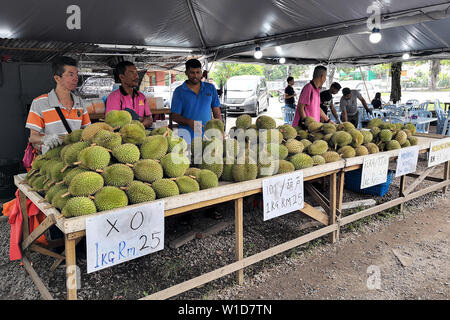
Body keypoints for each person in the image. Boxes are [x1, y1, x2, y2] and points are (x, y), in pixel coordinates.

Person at [26, 56, 91, 154]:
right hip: (51, 159)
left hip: (74, 157)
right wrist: (46, 139)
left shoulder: (80, 103)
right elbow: (33, 137)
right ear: (57, 78)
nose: (76, 78)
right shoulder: (39, 103)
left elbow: (87, 131)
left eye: (76, 74)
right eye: (70, 75)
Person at [171, 58, 222, 144]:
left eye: (198, 72)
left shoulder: (210, 88)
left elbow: (217, 112)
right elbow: (174, 116)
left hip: (207, 138)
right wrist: (189, 122)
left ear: (201, 72)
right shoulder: (179, 91)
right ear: (186, 73)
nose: (195, 76)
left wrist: (220, 131)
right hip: (186, 138)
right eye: (192, 72)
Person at [105, 61, 153, 128]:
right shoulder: (114, 97)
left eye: (136, 72)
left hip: (141, 133)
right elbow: (112, 122)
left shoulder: (141, 96)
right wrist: (140, 119)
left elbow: (149, 118)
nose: (137, 76)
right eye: (132, 73)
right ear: (122, 77)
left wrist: (139, 125)